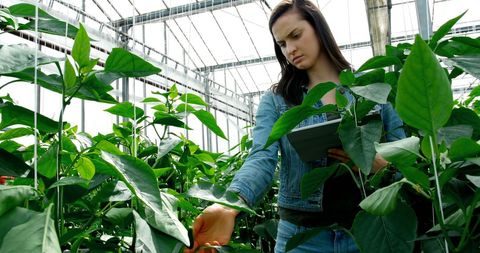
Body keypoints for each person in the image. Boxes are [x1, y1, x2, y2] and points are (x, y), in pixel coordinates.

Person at [185, 0, 405, 252]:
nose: (290, 49)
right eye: (282, 43)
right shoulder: (278, 101)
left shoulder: (371, 90)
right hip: (301, 238)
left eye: (296, 35)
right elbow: (261, 158)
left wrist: (377, 164)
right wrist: (228, 205)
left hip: (369, 233)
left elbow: (404, 158)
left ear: (318, 28)